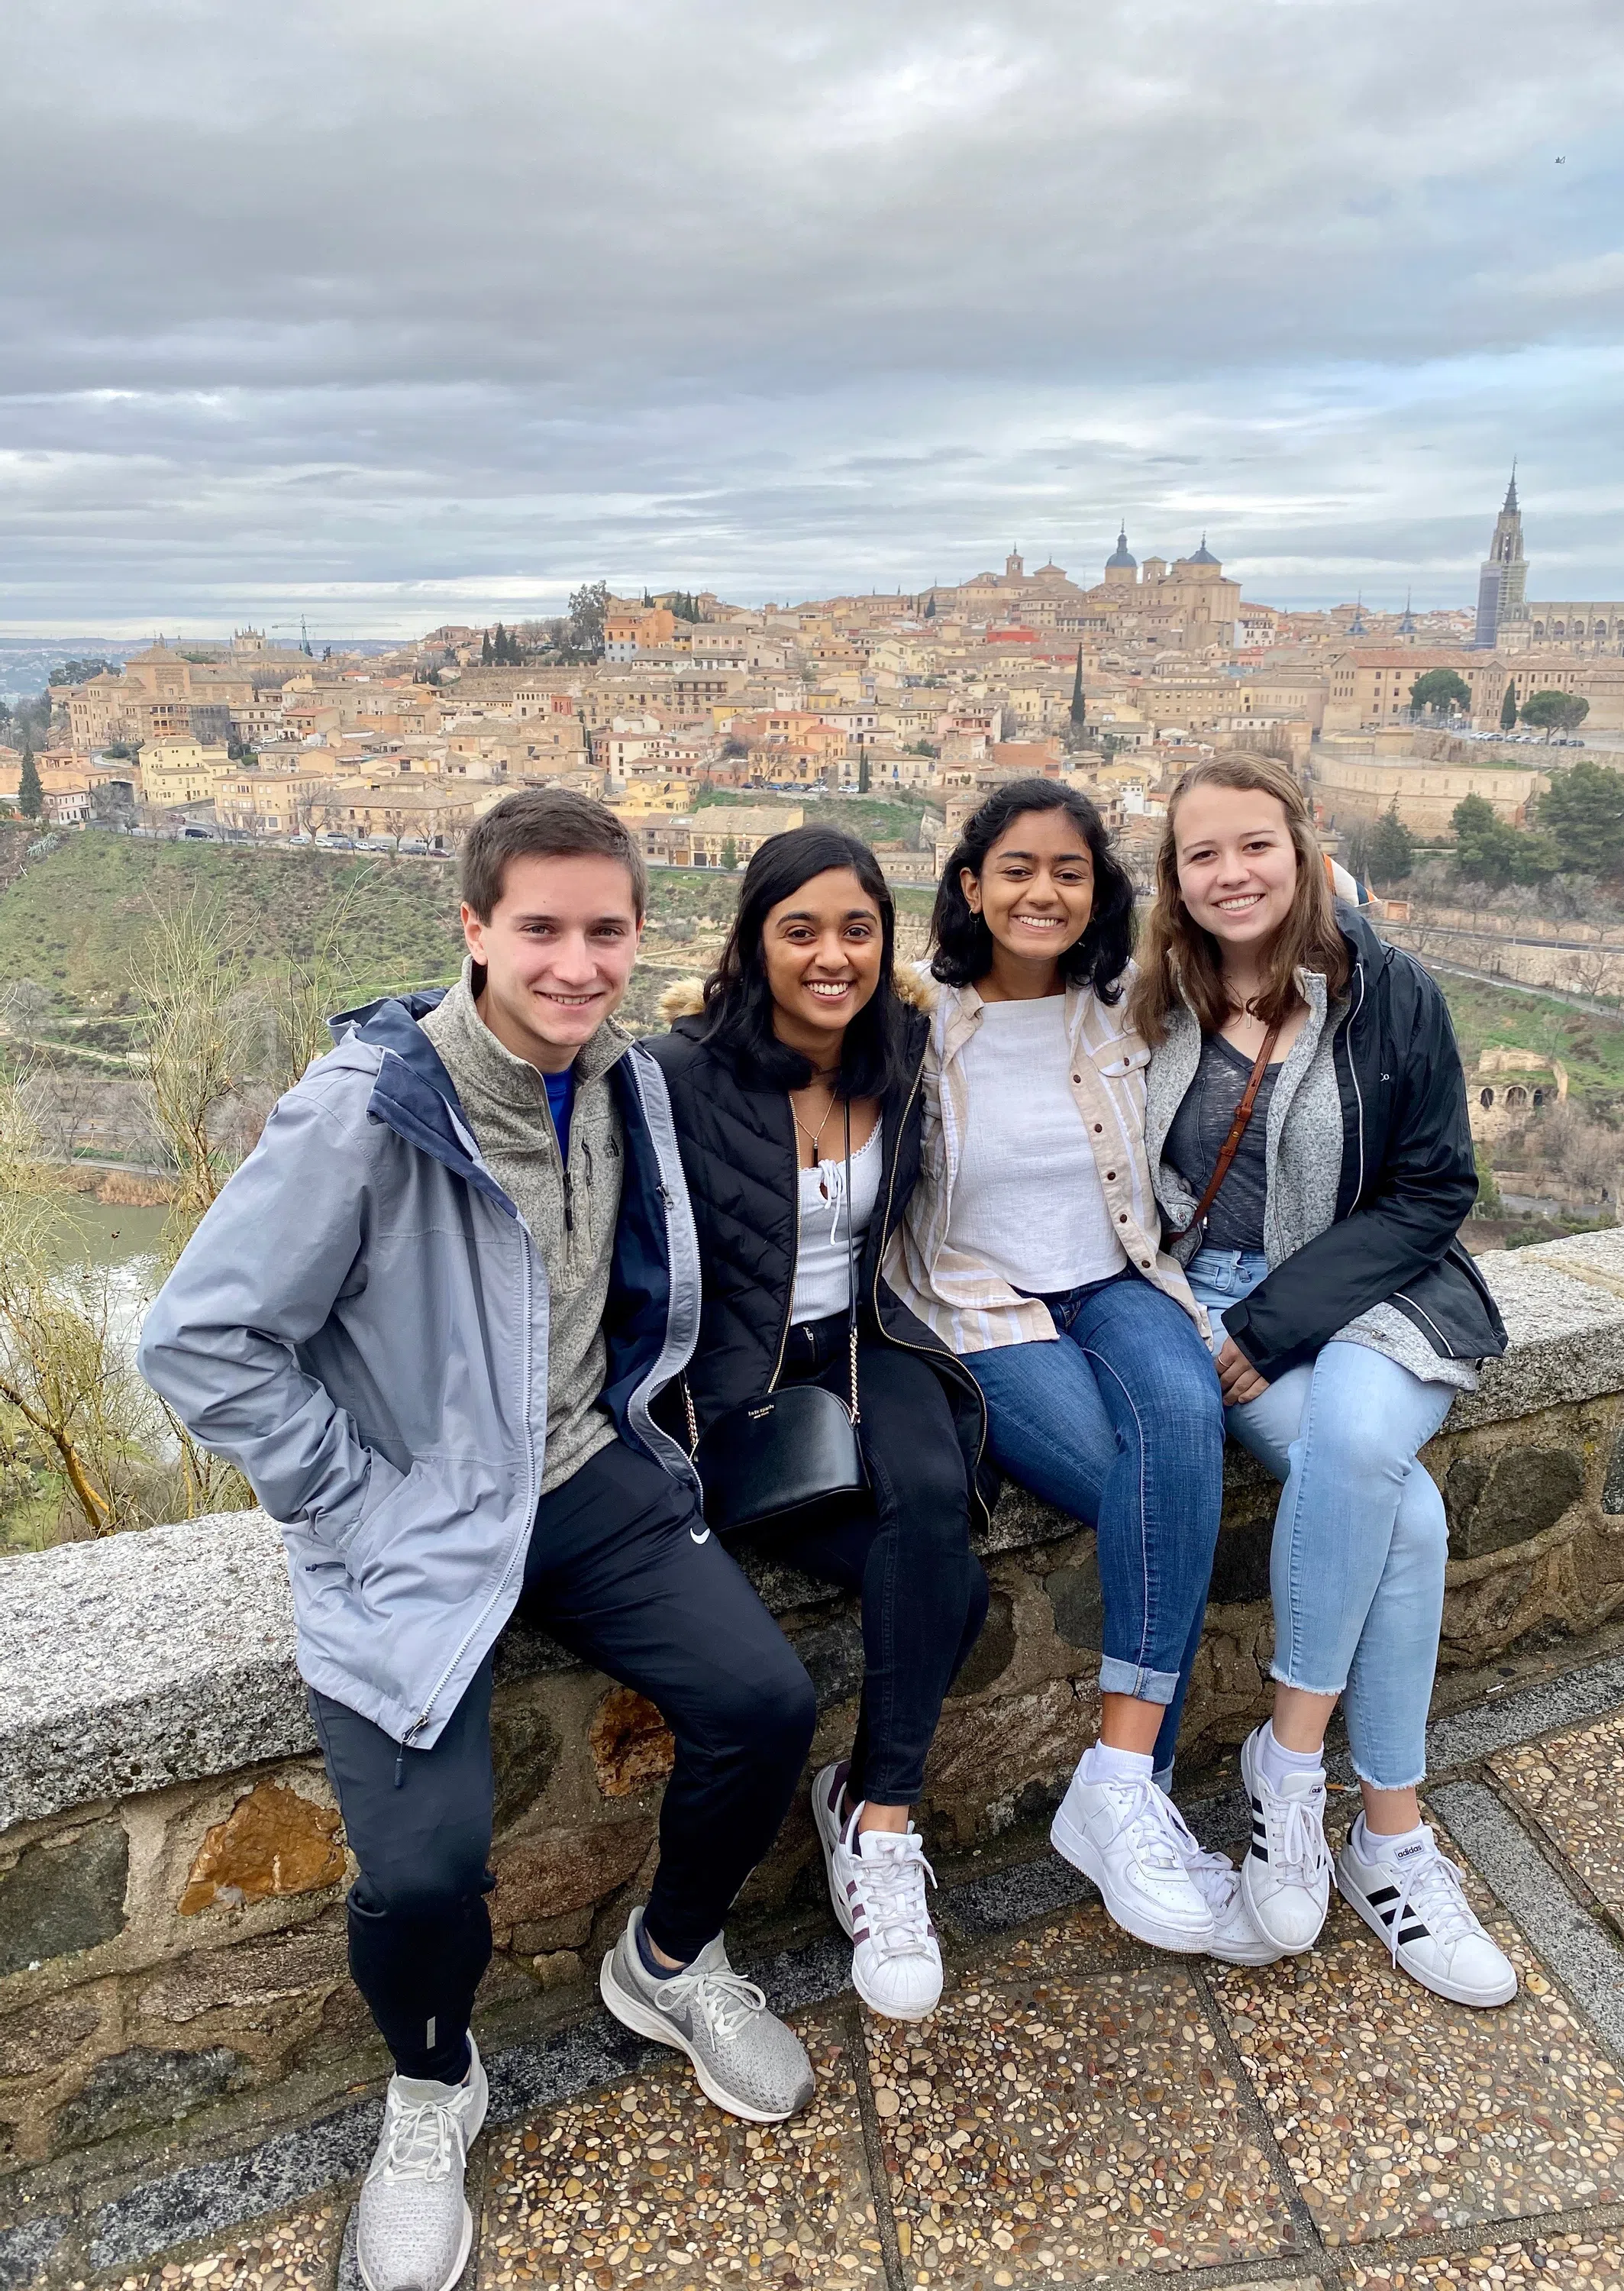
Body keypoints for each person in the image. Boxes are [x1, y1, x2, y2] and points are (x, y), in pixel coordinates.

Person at [137, 790, 823, 2291]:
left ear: (638, 938)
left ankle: (666, 1962)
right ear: (473, 930)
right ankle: (435, 2083)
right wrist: (348, 1492)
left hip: (582, 1475)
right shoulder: (371, 1108)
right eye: (541, 930)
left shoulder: (624, 1085)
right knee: (425, 1868)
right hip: (416, 1505)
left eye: (604, 932)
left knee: (766, 1707)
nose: (574, 965)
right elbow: (198, 1340)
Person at [1132, 752, 1517, 2007]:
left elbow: (1433, 1186)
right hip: (1213, 1301)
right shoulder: (1153, 998)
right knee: (1404, 1515)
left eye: (1255, 845)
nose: (1231, 873)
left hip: (1375, 1290)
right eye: (1203, 854)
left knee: (1359, 1450)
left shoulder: (1383, 988)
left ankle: (1288, 1771)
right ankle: (1390, 1838)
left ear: (1301, 851)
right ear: (1174, 880)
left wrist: (1281, 1319)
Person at [888, 778, 1261, 1966]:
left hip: (1119, 1280)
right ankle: (1132, 1799)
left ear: (1097, 893)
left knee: (1185, 1420)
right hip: (983, 1308)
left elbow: (1280, 954)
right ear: (970, 887)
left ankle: (1115, 1787)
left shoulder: (1128, 1008)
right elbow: (767, 1027)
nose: (1041, 891)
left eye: (1068, 871)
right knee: (1141, 1494)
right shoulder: (913, 1023)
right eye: (1015, 869)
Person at [647, 826, 989, 2022]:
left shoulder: (900, 1047)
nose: (831, 956)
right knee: (951, 1589)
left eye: (856, 929)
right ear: (752, 943)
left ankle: (876, 1821)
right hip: (735, 1383)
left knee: (937, 1504)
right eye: (799, 930)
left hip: (860, 1337)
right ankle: (855, 1802)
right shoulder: (677, 1074)